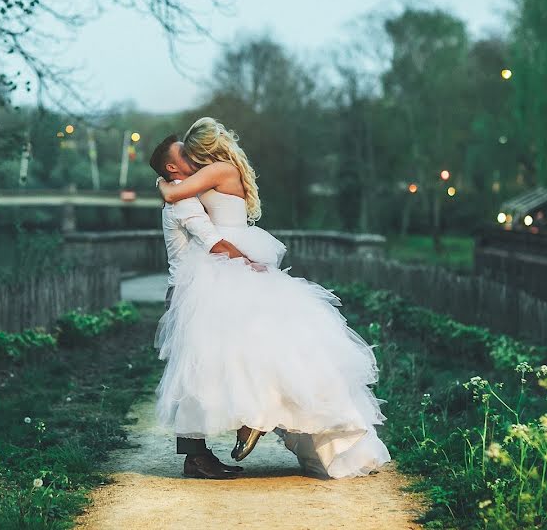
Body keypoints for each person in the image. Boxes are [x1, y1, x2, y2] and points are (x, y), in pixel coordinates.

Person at [153, 117, 391, 479]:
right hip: (215, 267)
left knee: (239, 349)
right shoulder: (196, 186)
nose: (190, 158)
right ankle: (237, 428)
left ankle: (251, 420)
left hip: (221, 265)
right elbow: (193, 217)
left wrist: (245, 262)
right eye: (183, 155)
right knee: (244, 348)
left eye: (191, 151)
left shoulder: (211, 173)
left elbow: (204, 227)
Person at [148, 134, 258, 480]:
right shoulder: (184, 203)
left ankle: (199, 455)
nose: (194, 158)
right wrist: (251, 263)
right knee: (193, 371)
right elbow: (213, 243)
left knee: (200, 366)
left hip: (192, 290)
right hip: (186, 292)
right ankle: (195, 457)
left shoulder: (183, 192)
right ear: (171, 167)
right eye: (185, 155)